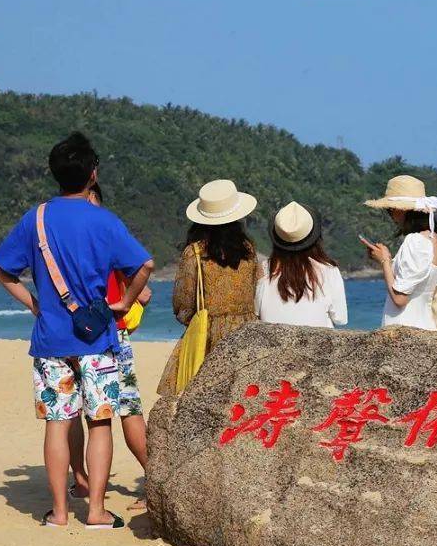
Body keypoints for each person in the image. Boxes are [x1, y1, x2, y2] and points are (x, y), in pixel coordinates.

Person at [0, 132, 153, 529]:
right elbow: (144, 266)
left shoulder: (36, 218)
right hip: (97, 338)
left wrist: (33, 303)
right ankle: (96, 511)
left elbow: (1, 268)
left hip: (50, 339)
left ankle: (60, 512)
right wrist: (125, 302)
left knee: (57, 424)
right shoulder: (103, 219)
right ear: (92, 174)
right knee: (100, 423)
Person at [82, 184, 151, 510]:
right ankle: (153, 478)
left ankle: (84, 481)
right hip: (110, 332)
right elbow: (144, 287)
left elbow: (144, 285)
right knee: (121, 411)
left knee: (96, 416)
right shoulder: (108, 233)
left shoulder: (74, 234)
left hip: (89, 333)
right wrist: (127, 300)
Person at [157, 179, 259, 396]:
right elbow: (255, 289)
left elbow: (183, 304)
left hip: (208, 334)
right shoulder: (248, 251)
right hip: (247, 331)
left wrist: (196, 319)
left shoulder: (195, 253)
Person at [361, 174, 437, 331]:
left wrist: (384, 261)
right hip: (428, 327)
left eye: (390, 210)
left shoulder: (415, 241)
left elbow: (400, 299)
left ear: (401, 210)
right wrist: (387, 260)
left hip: (403, 328)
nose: (391, 215)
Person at [256, 201, 347, 328]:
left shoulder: (265, 270)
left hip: (273, 345)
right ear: (314, 237)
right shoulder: (329, 270)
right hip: (315, 345)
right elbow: (341, 319)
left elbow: (256, 312)